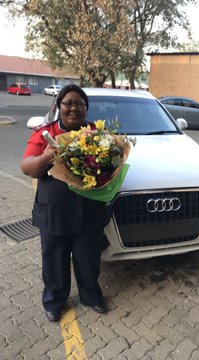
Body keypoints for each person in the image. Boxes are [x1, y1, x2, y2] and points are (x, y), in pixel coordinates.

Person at [20, 84, 112, 322]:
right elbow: (27, 167)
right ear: (58, 106)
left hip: (89, 209)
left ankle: (91, 296)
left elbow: (112, 164)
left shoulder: (96, 133)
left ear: (86, 108)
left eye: (80, 104)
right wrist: (47, 154)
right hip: (55, 211)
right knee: (54, 259)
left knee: (88, 257)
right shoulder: (45, 133)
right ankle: (54, 300)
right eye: (68, 103)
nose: (74, 108)